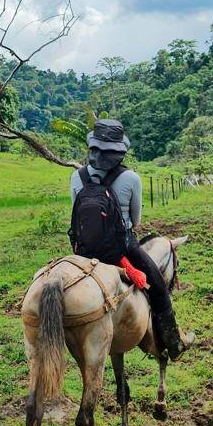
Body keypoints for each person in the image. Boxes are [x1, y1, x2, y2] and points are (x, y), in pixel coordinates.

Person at [70, 119, 194, 360]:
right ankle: (174, 343)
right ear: (118, 151)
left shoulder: (77, 176)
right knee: (158, 286)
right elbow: (136, 221)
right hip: (120, 248)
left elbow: (75, 215)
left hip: (83, 250)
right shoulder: (131, 178)